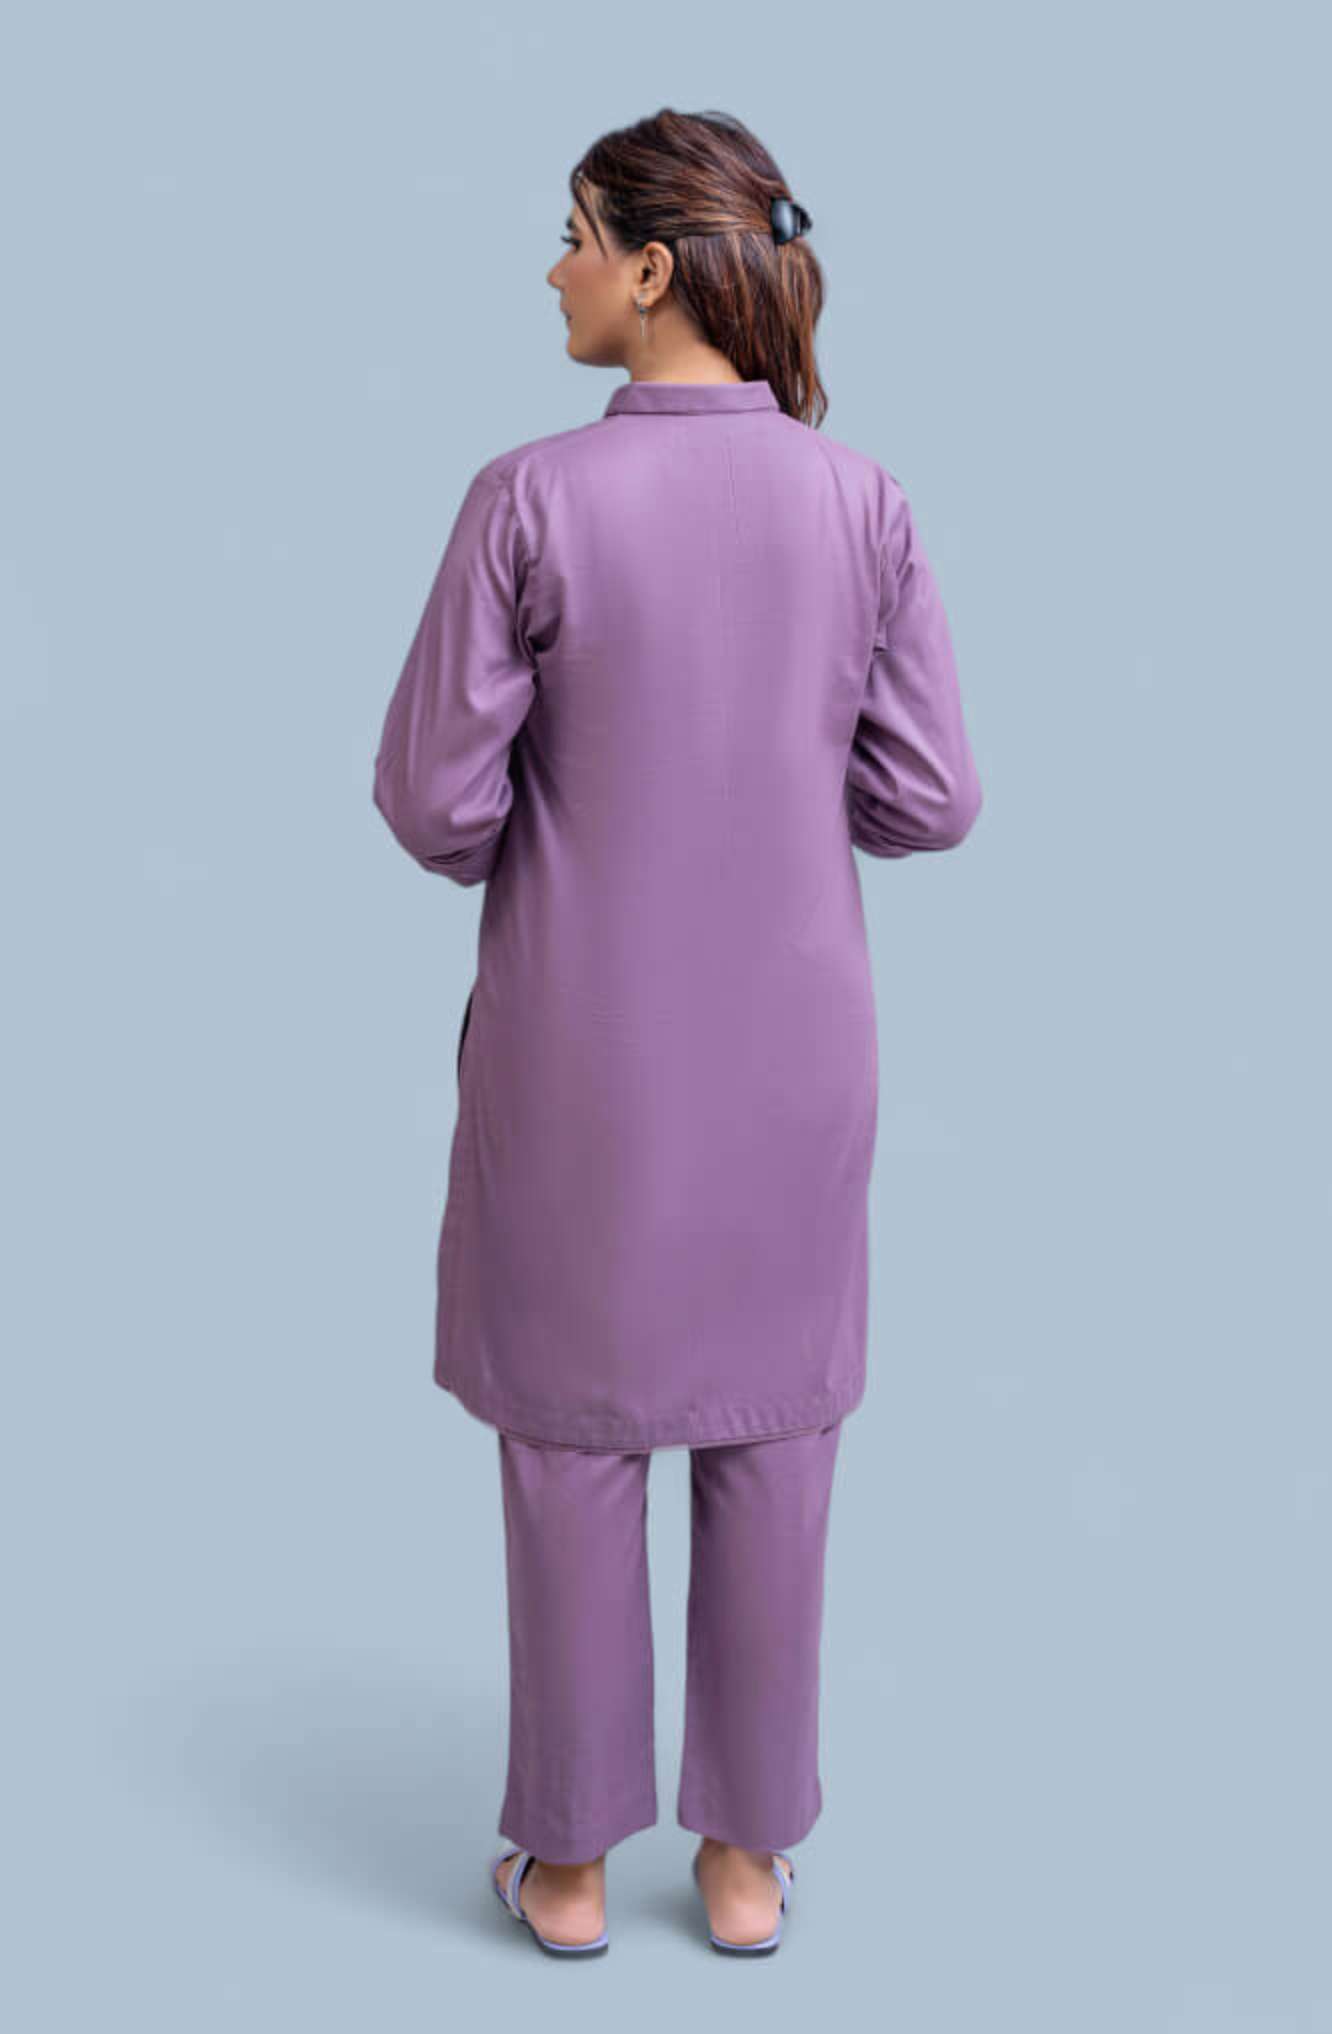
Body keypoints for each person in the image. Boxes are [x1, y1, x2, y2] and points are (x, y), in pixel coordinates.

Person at [371, 107, 983, 1957]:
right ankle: (743, 1861)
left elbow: (433, 804)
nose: (551, 268)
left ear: (649, 268)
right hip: (797, 1056)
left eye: (571, 236)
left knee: (572, 1439)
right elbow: (932, 796)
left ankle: (565, 1868)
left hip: (584, 1053)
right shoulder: (863, 501)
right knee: (774, 1431)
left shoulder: (528, 498)